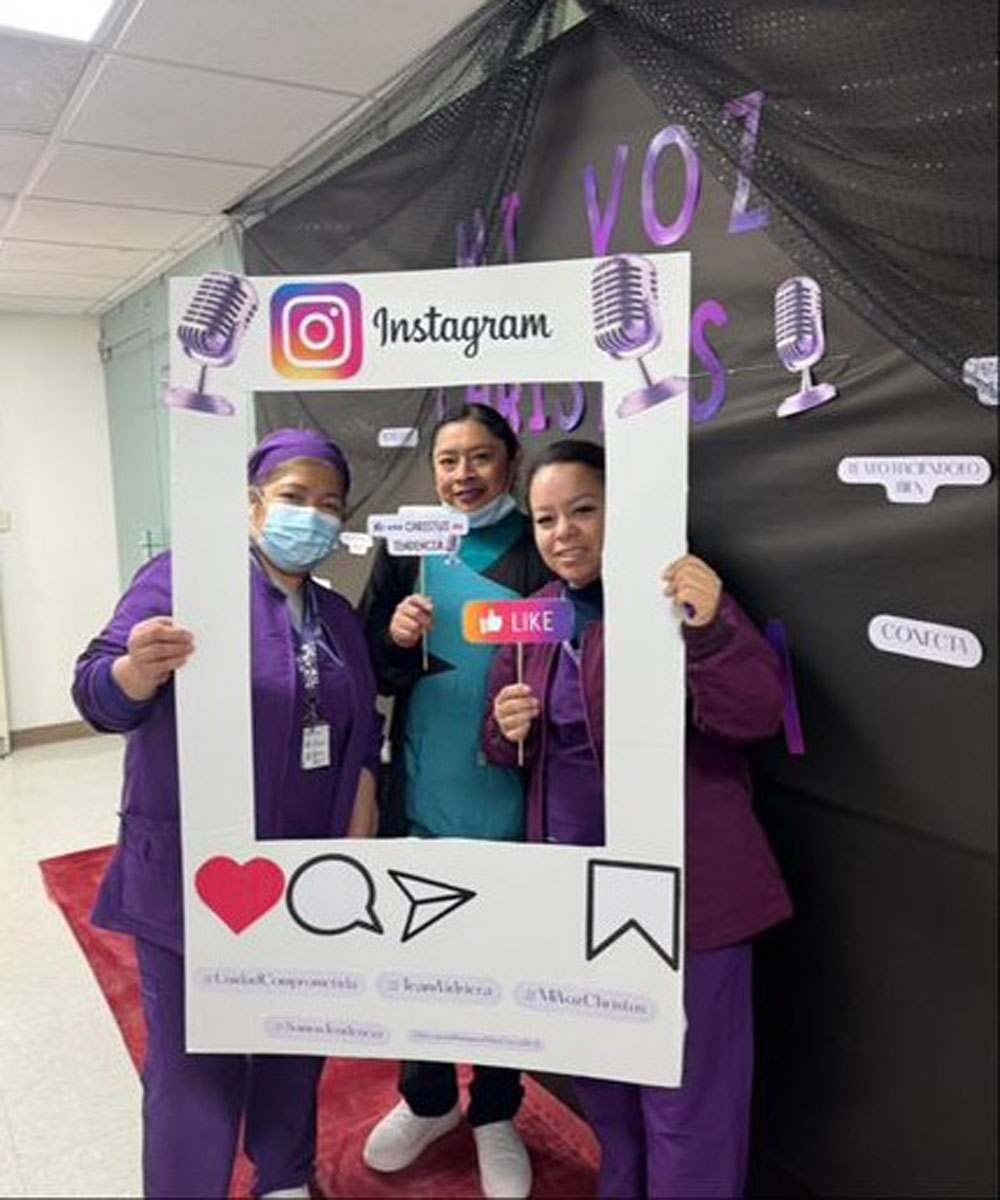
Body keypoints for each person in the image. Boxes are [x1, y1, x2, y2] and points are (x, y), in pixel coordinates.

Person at [72, 428, 381, 1199]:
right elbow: (96, 691)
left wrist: (359, 822)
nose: (312, 516)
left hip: (305, 873)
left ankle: (285, 1177)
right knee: (193, 1061)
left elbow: (360, 733)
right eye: (294, 497)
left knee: (293, 1034)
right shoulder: (184, 580)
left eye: (329, 505)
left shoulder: (336, 615)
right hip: (195, 871)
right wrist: (135, 669)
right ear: (251, 505)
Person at [483, 439, 793, 1199]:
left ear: (623, 509)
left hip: (690, 900)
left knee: (689, 1106)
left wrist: (711, 630)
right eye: (546, 518)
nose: (564, 533)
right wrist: (506, 727)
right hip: (579, 903)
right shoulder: (534, 619)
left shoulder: (677, 599)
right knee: (610, 1094)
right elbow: (501, 746)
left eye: (584, 510)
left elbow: (757, 715)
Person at [358, 402, 550, 1199]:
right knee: (421, 945)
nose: (462, 475)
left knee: (502, 948)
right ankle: (428, 1099)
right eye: (447, 460)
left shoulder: (542, 542)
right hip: (424, 782)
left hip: (515, 787)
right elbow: (368, 664)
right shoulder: (407, 547)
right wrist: (396, 638)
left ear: (511, 461)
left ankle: (496, 1110)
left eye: (479, 457)